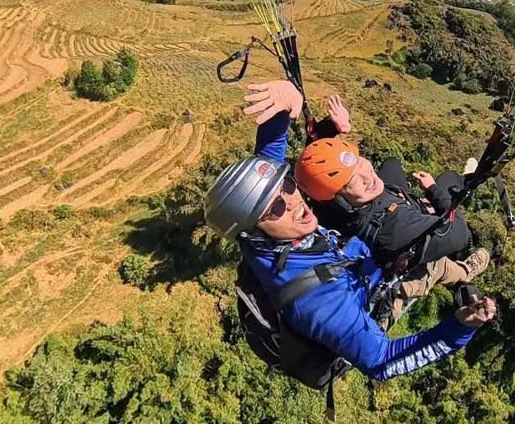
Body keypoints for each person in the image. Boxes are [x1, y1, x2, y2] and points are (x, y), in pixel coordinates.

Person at [204, 80, 496, 382]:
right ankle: (465, 271)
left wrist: (286, 103)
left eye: (286, 185)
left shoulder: (257, 229)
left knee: (424, 258)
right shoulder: (321, 303)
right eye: (274, 209)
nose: (293, 202)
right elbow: (382, 362)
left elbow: (269, 157)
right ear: (253, 231)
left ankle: (460, 271)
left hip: (348, 263)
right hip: (365, 303)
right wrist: (459, 328)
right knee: (431, 269)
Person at [294, 129, 491, 299]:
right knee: (449, 179)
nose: (367, 175)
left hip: (386, 208)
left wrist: (332, 127)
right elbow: (460, 234)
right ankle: (465, 271)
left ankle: (412, 198)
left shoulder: (323, 206)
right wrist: (433, 190)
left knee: (391, 163)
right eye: (352, 181)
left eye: (360, 163)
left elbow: (319, 171)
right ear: (340, 201)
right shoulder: (395, 228)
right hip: (409, 252)